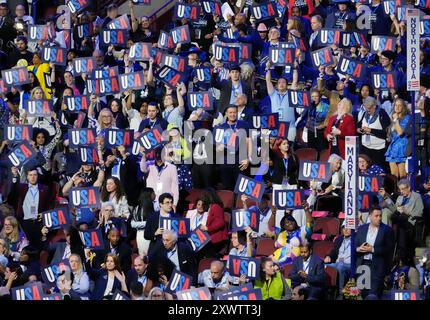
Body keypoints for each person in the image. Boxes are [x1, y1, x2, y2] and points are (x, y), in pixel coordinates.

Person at [355, 206, 395, 299]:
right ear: (370, 216)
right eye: (376, 216)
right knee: (363, 295)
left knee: (373, 295)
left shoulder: (387, 230)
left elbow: (389, 249)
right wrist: (358, 249)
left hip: (377, 266)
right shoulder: (362, 228)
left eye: (380, 216)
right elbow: (355, 245)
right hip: (362, 265)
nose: (379, 218)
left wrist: (372, 249)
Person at [8, 167, 52, 249]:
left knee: (39, 247)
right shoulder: (22, 187)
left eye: (35, 175)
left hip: (38, 223)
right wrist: (14, 176)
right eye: (30, 175)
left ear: (37, 176)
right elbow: (12, 194)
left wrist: (44, 214)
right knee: (27, 246)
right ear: (27, 177)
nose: (32, 177)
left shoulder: (45, 189)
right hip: (25, 223)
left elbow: (49, 205)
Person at [385, 179, 424, 259]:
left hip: (411, 221)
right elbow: (393, 209)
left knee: (399, 224)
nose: (401, 191)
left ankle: (399, 253)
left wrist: (406, 212)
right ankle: (396, 251)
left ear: (409, 188)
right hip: (400, 220)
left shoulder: (417, 196)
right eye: (400, 189)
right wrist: (385, 196)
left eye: (403, 189)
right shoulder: (400, 198)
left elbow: (419, 213)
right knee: (391, 215)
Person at [356, 96, 391, 170]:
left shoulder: (382, 113)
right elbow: (358, 126)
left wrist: (371, 130)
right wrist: (359, 130)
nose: (367, 109)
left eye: (369, 107)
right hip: (366, 148)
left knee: (378, 171)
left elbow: (386, 133)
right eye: (365, 107)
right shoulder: (365, 114)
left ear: (374, 106)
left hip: (378, 150)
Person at [385, 98, 411, 179]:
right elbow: (392, 133)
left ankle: (404, 191)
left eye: (400, 105)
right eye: (396, 105)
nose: (397, 107)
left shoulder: (407, 118)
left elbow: (400, 132)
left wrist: (396, 119)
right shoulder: (393, 117)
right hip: (392, 149)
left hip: (402, 148)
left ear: (403, 107)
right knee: (394, 176)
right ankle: (395, 191)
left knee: (402, 176)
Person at [324, 223, 352, 298]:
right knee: (323, 265)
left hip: (349, 265)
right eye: (343, 228)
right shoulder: (339, 239)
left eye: (348, 228)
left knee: (341, 266)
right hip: (337, 263)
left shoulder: (356, 239)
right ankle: (324, 291)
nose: (345, 230)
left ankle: (341, 294)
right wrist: (328, 256)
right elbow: (334, 251)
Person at [199, 190, 229, 258]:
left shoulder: (216, 207)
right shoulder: (211, 207)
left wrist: (208, 228)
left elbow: (221, 223)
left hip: (218, 239)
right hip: (212, 238)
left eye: (204, 197)